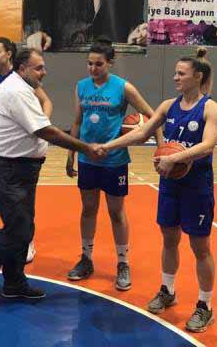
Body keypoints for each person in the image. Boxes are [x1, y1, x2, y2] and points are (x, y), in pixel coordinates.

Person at [0, 48, 105, 306]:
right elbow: (46, 131)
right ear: (23, 69)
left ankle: (13, 282)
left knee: (24, 227)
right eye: (39, 67)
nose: (45, 72)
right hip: (7, 169)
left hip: (19, 169)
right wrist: (86, 148)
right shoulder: (17, 91)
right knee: (18, 227)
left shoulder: (22, 87)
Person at [102, 48, 217, 333]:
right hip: (170, 183)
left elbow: (208, 145)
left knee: (200, 247)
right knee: (169, 240)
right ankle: (168, 290)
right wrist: (108, 146)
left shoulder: (211, 109)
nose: (175, 78)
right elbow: (142, 132)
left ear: (198, 76)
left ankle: (205, 305)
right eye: (175, 73)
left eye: (181, 73)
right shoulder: (169, 106)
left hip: (197, 186)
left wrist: (174, 158)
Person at [65, 38, 162, 290]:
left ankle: (123, 263)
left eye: (98, 64)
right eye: (89, 63)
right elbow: (77, 121)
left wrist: (161, 147)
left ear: (110, 62)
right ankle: (86, 258)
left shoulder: (123, 87)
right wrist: (71, 153)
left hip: (115, 160)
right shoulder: (81, 86)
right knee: (88, 209)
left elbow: (153, 116)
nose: (93, 68)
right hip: (87, 158)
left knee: (116, 212)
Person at [0, 37, 53, 262]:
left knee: (21, 197)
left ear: (9, 54)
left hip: (18, 144)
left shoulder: (22, 79)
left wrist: (41, 123)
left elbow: (47, 102)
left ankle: (27, 240)